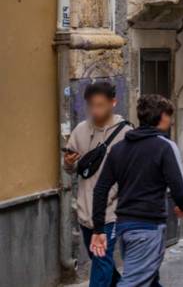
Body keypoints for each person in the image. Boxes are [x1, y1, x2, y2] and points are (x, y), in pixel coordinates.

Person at [90, 95, 183, 287]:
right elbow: (179, 188)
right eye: (169, 116)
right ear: (161, 117)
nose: (171, 121)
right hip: (148, 228)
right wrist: (182, 205)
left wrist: (98, 229)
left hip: (125, 227)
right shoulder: (163, 147)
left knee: (149, 280)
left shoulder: (118, 149)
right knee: (134, 282)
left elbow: (100, 189)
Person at [64, 81, 130, 287]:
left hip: (111, 211)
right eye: (91, 105)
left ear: (113, 102)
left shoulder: (126, 133)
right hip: (86, 210)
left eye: (100, 105)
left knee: (101, 262)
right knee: (100, 260)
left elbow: (130, 173)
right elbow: (71, 169)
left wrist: (115, 195)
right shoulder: (80, 130)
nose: (95, 110)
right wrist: (68, 163)